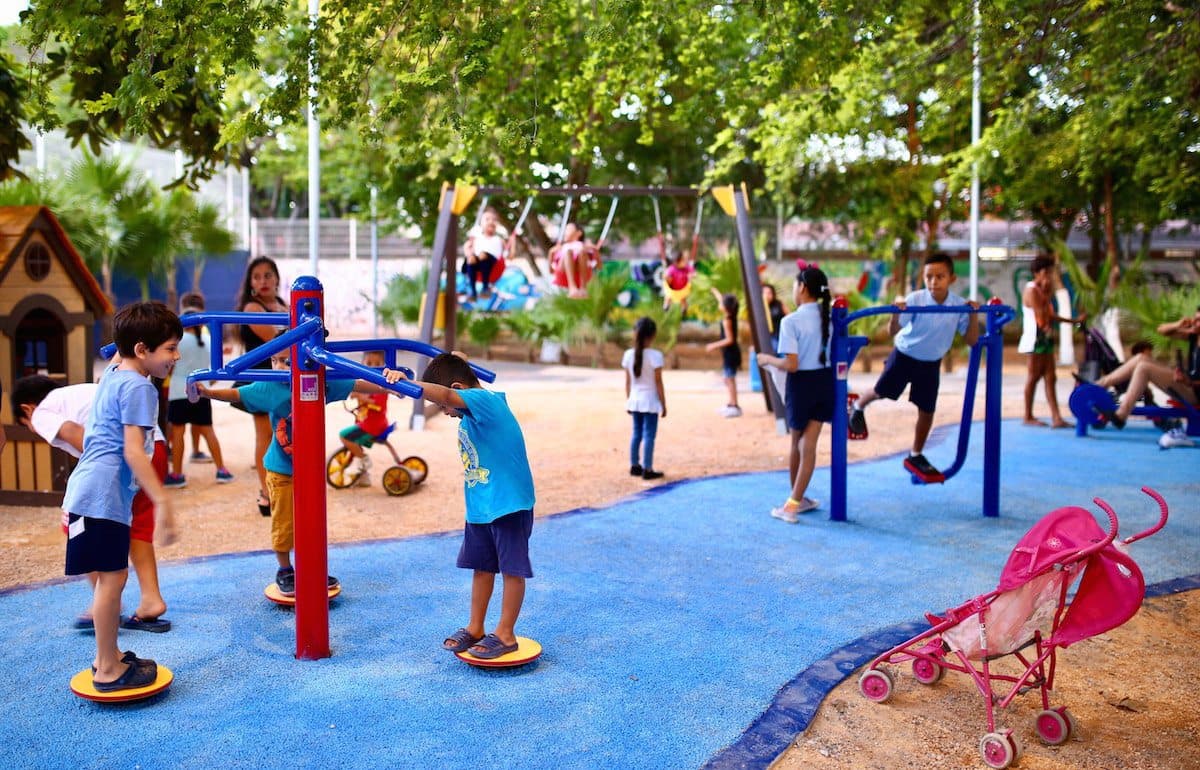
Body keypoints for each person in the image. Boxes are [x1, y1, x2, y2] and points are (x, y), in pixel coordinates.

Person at [198, 347, 391, 596]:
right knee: (284, 523)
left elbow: (358, 384)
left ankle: (311, 566)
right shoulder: (269, 386)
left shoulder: (319, 382)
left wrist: (391, 386)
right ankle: (285, 569)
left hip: (310, 471)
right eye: (275, 361)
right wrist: (207, 393)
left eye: (286, 362)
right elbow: (236, 393)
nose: (279, 367)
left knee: (312, 522)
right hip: (281, 470)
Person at [383, 352, 536, 660]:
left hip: (508, 503)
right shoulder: (470, 407)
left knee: (511, 570)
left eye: (444, 408)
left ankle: (506, 634)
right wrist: (458, 359)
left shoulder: (485, 401)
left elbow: (449, 394)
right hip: (481, 506)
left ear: (458, 389)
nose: (446, 412)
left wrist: (411, 383)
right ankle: (476, 627)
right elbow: (454, 381)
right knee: (482, 567)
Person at [61, 301, 179, 692]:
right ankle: (108, 670)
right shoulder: (140, 387)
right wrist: (162, 501)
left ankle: (106, 655)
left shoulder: (115, 372)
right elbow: (133, 450)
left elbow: (118, 353)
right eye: (170, 348)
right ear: (142, 349)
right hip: (102, 497)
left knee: (112, 577)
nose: (176, 357)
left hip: (87, 492)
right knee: (113, 580)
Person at [12, 373, 176, 630]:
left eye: (26, 425)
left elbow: (77, 434)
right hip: (153, 449)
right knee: (138, 527)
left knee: (76, 522)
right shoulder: (80, 393)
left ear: (27, 409)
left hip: (118, 457)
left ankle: (107, 602)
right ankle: (151, 600)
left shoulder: (42, 411)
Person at [848, 253, 980, 480]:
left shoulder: (959, 305)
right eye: (929, 277)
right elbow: (892, 331)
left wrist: (974, 315)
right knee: (881, 391)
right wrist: (896, 314)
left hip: (931, 362)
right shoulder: (916, 299)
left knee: (927, 410)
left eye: (940, 277)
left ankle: (916, 454)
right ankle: (858, 405)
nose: (933, 282)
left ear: (952, 278)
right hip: (905, 355)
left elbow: (972, 340)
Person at [758, 267, 834, 521]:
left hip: (801, 385)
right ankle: (797, 499)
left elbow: (791, 364)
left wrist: (767, 359)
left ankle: (792, 505)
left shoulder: (791, 321)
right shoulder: (831, 318)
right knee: (809, 444)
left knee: (797, 444)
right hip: (825, 382)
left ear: (801, 287)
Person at [1084, 306, 1200, 430]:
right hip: (1187, 383)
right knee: (1141, 358)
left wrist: (1188, 381)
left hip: (1195, 394)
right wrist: (1178, 325)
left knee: (1144, 368)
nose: (1195, 322)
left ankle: (1121, 415)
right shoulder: (1194, 336)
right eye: (1195, 318)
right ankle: (1098, 385)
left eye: (1199, 320)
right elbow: (1161, 330)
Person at [235, 256, 288, 516]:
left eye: (268, 275)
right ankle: (266, 493)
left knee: (283, 432)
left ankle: (280, 486)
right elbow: (277, 341)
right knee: (266, 435)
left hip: (283, 376)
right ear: (250, 282)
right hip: (261, 377)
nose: (263, 281)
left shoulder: (284, 305)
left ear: (277, 278)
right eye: (257, 277)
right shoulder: (252, 307)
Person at [164, 292, 233, 488]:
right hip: (201, 390)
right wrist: (208, 386)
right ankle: (222, 470)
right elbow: (215, 369)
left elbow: (170, 367)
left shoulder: (176, 342)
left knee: (178, 432)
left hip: (178, 391)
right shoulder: (208, 340)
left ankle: (177, 474)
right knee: (208, 430)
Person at [1019, 255, 1084, 427]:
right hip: (1035, 340)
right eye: (1046, 272)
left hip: (1045, 339)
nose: (1049, 276)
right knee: (1033, 376)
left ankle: (1056, 417)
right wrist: (1047, 293)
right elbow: (1042, 316)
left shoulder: (1040, 290)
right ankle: (1027, 416)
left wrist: (1074, 321)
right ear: (1037, 273)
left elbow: (1050, 315)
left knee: (1050, 377)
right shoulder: (1032, 290)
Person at [335, 350, 390, 487]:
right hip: (365, 421)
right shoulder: (365, 382)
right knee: (356, 443)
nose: (373, 367)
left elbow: (377, 405)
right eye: (369, 363)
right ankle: (364, 477)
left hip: (372, 425)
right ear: (363, 363)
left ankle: (364, 459)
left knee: (344, 436)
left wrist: (360, 396)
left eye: (378, 364)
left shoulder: (381, 385)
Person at [622, 317, 667, 480]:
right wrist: (663, 404)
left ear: (635, 334)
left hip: (635, 400)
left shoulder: (628, 355)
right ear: (653, 335)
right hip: (650, 402)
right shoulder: (656, 356)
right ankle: (647, 468)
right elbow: (658, 382)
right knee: (649, 436)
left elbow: (628, 382)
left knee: (636, 433)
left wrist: (629, 400)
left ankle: (634, 465)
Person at [705, 289, 742, 417]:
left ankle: (735, 406)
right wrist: (715, 292)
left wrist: (713, 345)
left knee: (730, 379)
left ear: (726, 307)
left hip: (731, 354)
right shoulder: (731, 315)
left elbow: (730, 339)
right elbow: (722, 300)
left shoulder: (727, 320)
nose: (719, 304)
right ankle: (731, 404)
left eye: (721, 303)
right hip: (730, 353)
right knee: (727, 378)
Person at [462, 207, 508, 302]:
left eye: (494, 220)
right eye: (487, 219)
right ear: (481, 223)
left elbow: (509, 255)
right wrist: (467, 249)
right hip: (479, 266)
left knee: (483, 254)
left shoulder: (499, 240)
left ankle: (485, 288)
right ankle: (473, 292)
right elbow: (468, 254)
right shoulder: (476, 239)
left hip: (495, 265)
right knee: (471, 258)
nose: (491, 222)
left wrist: (513, 242)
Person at [550, 222, 596, 298]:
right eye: (565, 230)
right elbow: (551, 271)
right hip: (563, 271)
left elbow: (596, 264)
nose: (565, 232)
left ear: (579, 233)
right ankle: (572, 287)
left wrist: (594, 250)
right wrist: (550, 253)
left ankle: (583, 288)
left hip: (582, 270)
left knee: (582, 252)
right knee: (568, 252)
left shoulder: (584, 246)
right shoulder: (562, 247)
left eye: (568, 229)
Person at [762, 282, 787, 353]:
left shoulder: (779, 304)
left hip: (780, 335)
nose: (767, 295)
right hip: (767, 337)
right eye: (764, 293)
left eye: (769, 293)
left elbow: (789, 316)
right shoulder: (759, 307)